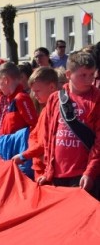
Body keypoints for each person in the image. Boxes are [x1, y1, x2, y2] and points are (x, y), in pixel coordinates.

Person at [36, 51, 100, 199]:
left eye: (91, 74)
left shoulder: (97, 99)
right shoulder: (55, 98)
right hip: (57, 173)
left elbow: (98, 142)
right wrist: (47, 171)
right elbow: (48, 137)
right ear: (68, 74)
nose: (89, 80)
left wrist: (90, 172)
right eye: (83, 75)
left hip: (83, 174)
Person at [0, 61, 37, 163]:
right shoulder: (10, 99)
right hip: (10, 154)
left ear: (5, 80)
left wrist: (25, 154)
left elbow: (34, 127)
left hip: (20, 156)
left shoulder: (21, 98)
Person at [12, 67, 59, 173]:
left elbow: (44, 142)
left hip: (47, 169)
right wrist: (33, 152)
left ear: (52, 87)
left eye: (37, 91)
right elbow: (33, 134)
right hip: (38, 164)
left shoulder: (56, 111)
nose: (34, 95)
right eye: (33, 91)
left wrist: (24, 155)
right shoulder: (45, 109)